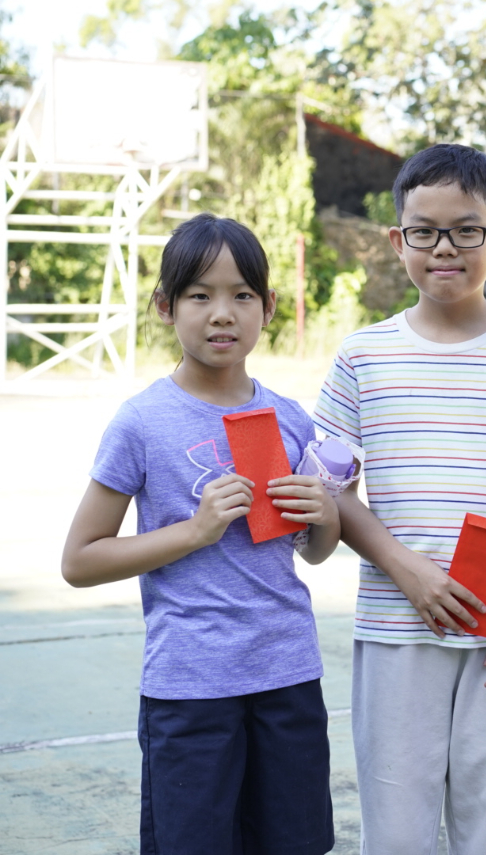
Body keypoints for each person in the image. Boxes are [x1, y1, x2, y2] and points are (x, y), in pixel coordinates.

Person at [312, 143, 486, 855]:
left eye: (467, 230)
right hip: (395, 632)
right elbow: (331, 490)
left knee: (483, 833)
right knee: (398, 836)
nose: (445, 247)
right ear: (396, 240)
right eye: (425, 230)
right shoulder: (361, 356)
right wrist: (405, 567)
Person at [61, 213, 340, 854]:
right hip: (189, 688)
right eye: (200, 295)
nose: (223, 313)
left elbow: (312, 553)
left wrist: (323, 518)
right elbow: (80, 559)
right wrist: (194, 531)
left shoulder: (290, 419)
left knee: (292, 843)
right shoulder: (141, 423)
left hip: (287, 675)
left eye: (242, 294)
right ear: (165, 305)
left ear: (267, 307)